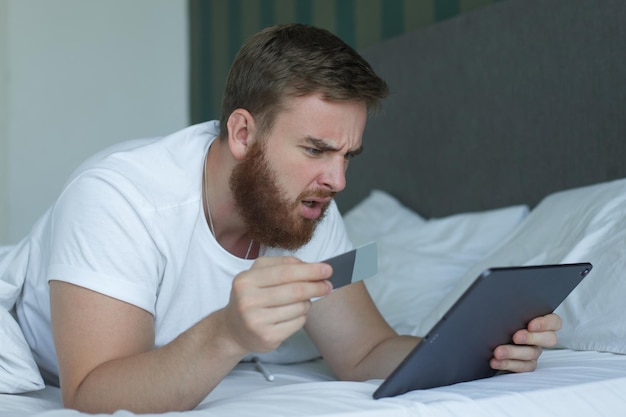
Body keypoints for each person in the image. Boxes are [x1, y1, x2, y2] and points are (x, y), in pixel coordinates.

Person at [5, 23, 561, 413]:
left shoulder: (309, 204)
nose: (338, 180)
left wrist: (479, 348)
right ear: (243, 133)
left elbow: (364, 351)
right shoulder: (118, 197)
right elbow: (91, 390)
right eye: (316, 150)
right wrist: (228, 333)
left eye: (347, 157)